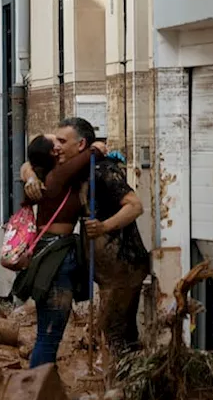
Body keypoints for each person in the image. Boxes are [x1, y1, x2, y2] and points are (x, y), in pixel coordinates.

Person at [57, 118, 150, 358]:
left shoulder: (104, 170)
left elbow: (135, 206)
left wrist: (104, 226)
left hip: (124, 267)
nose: (56, 147)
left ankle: (120, 387)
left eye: (61, 141)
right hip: (105, 272)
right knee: (120, 334)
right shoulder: (77, 171)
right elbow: (33, 157)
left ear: (81, 145)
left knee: (114, 334)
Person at [14, 134, 105, 367]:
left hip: (49, 253)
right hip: (57, 258)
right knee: (49, 336)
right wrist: (94, 147)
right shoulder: (57, 176)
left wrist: (29, 173)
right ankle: (37, 394)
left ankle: (45, 394)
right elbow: (93, 153)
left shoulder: (46, 176)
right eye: (58, 141)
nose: (61, 144)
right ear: (53, 152)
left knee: (47, 333)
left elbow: (27, 165)